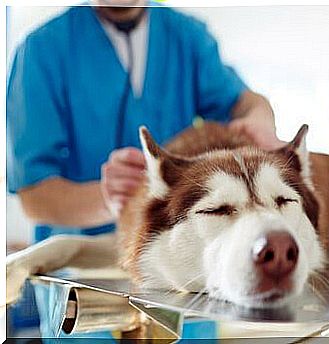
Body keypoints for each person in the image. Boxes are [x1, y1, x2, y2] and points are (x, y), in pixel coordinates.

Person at [7, 1, 281, 339]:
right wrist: (110, 199)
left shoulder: (187, 37)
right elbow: (35, 196)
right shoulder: (42, 51)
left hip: (183, 288)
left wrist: (258, 121)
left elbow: (248, 102)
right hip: (89, 288)